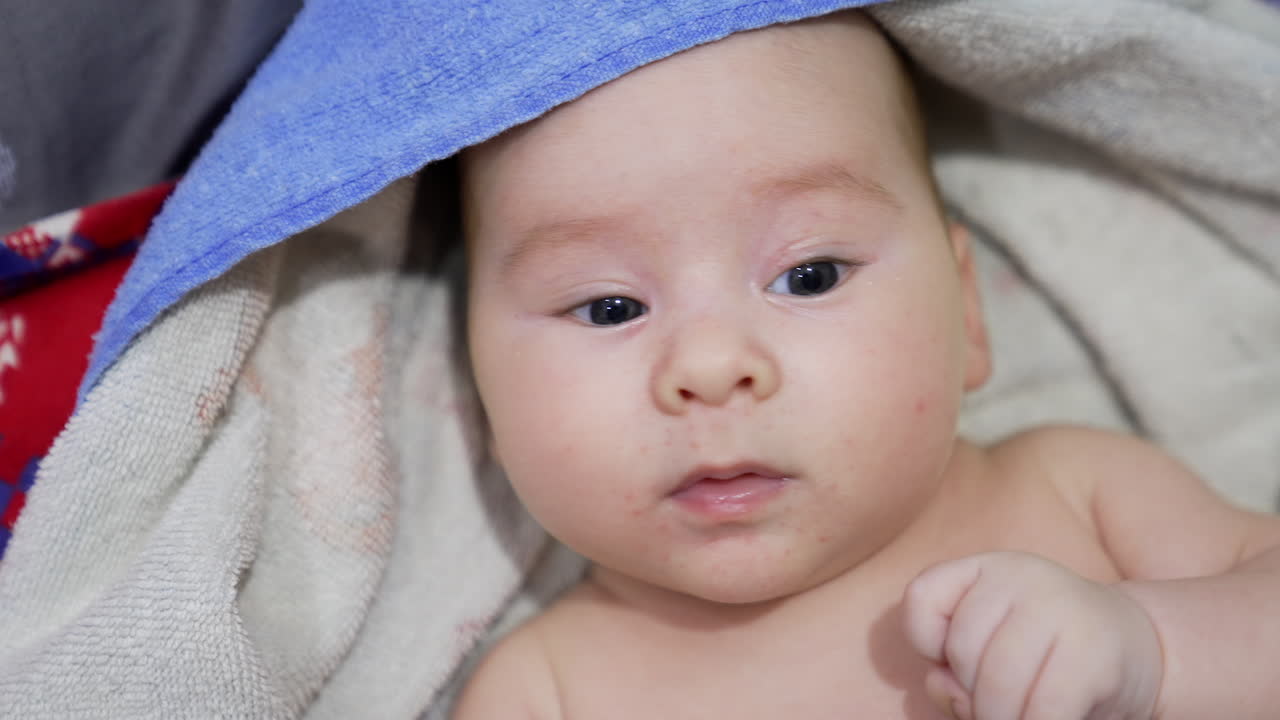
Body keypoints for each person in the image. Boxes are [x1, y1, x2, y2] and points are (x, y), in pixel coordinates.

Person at [453, 10, 1280, 719]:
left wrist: (1160, 649)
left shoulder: (1080, 491)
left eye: (808, 276)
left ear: (966, 312)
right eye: (609, 307)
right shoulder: (546, 691)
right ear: (480, 391)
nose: (709, 368)